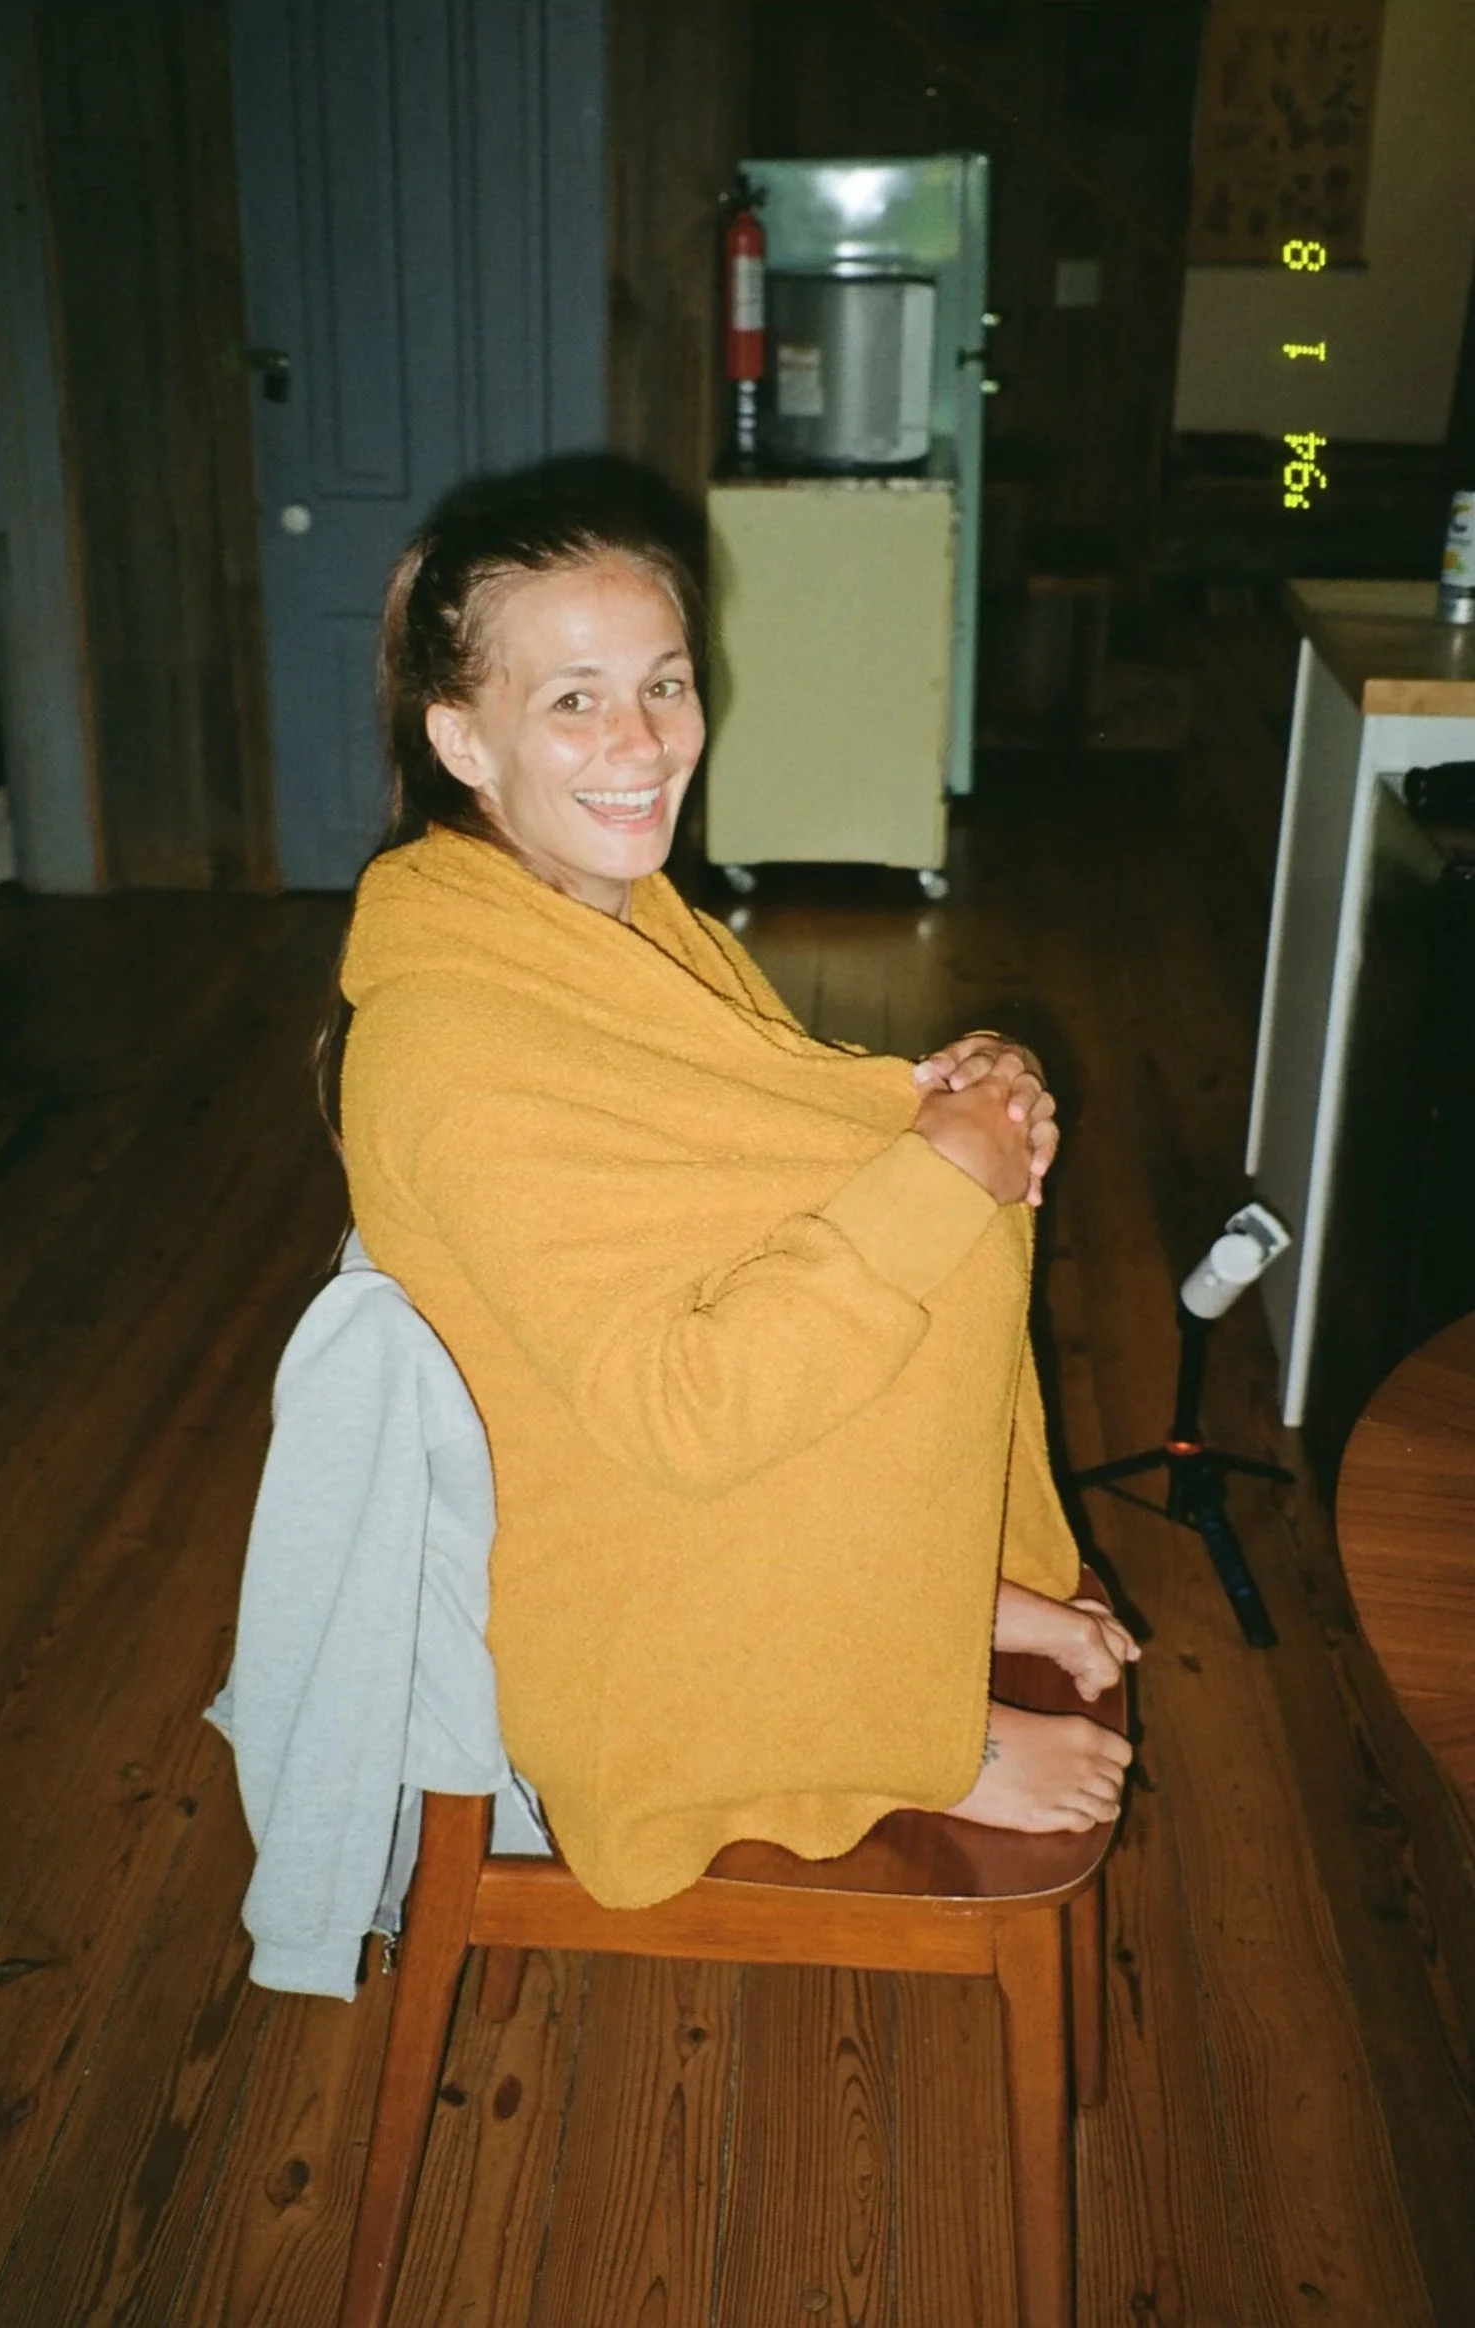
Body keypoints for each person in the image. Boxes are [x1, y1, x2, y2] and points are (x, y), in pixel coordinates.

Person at [335, 471, 1135, 1911]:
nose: (641, 743)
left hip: (705, 1495)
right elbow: (680, 1412)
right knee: (896, 1249)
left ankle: (917, 1605)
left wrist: (954, 1092)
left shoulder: (608, 912)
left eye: (665, 684)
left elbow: (765, 1128)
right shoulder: (452, 1046)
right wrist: (942, 1167)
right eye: (572, 701)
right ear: (463, 736)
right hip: (650, 1571)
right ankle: (899, 1726)